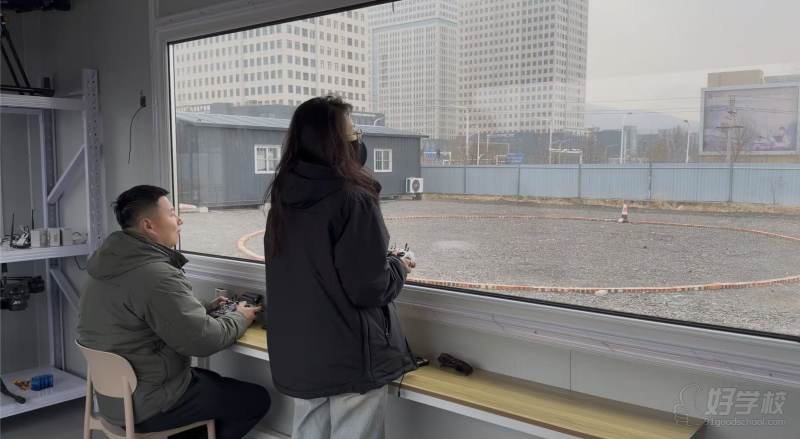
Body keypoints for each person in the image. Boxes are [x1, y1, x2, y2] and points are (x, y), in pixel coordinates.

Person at [264, 96, 417, 439]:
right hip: (348, 355)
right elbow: (368, 287)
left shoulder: (284, 196)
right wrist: (399, 266)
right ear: (334, 143)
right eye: (354, 133)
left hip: (301, 353)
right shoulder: (353, 198)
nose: (358, 140)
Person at [77, 185, 270, 439]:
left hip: (114, 402)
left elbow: (142, 311)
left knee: (209, 381)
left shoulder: (106, 265)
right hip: (151, 405)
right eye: (171, 214)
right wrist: (239, 317)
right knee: (255, 399)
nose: (179, 220)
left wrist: (204, 307)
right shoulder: (155, 274)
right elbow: (204, 341)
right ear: (148, 225)